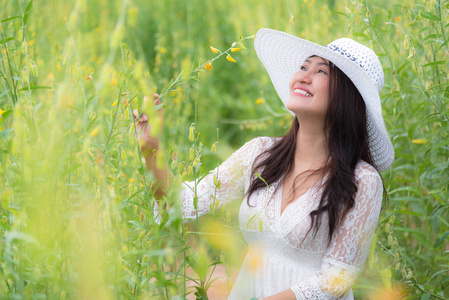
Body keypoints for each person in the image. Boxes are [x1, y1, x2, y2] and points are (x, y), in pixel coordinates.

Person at [134, 28, 394, 300]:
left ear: (348, 97)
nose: (302, 76)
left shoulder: (362, 180)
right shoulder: (261, 154)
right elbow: (181, 202)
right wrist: (151, 150)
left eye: (321, 72)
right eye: (304, 66)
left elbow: (335, 280)